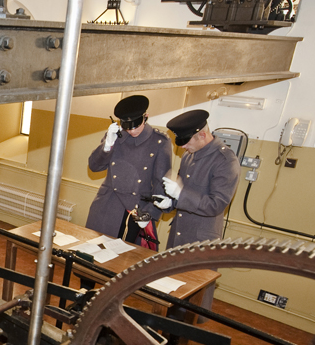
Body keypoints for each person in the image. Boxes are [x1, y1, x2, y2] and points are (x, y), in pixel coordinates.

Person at [86, 95, 172, 249]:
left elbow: (161, 183)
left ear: (146, 117)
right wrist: (107, 145)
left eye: (136, 125)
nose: (132, 131)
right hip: (108, 206)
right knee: (96, 255)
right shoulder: (115, 136)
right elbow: (94, 166)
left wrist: (150, 214)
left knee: (126, 262)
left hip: (136, 211)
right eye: (127, 126)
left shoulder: (159, 142)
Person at [155, 109, 240, 248]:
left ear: (202, 135)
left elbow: (216, 205)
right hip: (178, 236)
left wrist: (180, 194)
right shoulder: (188, 156)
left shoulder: (225, 161)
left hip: (201, 242)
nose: (183, 146)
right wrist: (170, 202)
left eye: (186, 142)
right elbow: (186, 197)